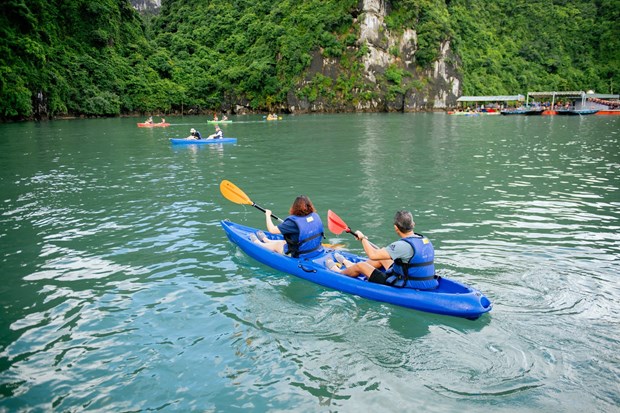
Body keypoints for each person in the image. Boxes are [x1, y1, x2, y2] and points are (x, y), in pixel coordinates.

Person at [326, 210, 439, 290]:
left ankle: (339, 272)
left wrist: (363, 238)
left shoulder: (402, 246)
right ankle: (349, 264)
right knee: (382, 255)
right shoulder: (424, 239)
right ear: (413, 224)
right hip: (425, 280)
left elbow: (372, 255)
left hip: (408, 284)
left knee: (361, 265)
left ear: (396, 228)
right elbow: (379, 255)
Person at [249, 195, 325, 258]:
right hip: (315, 250)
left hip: (300, 254)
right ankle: (267, 240)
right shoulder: (315, 216)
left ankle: (259, 244)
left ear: (295, 207)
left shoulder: (293, 223)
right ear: (310, 205)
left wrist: (268, 215)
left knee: (278, 245)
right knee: (284, 242)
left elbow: (272, 230)